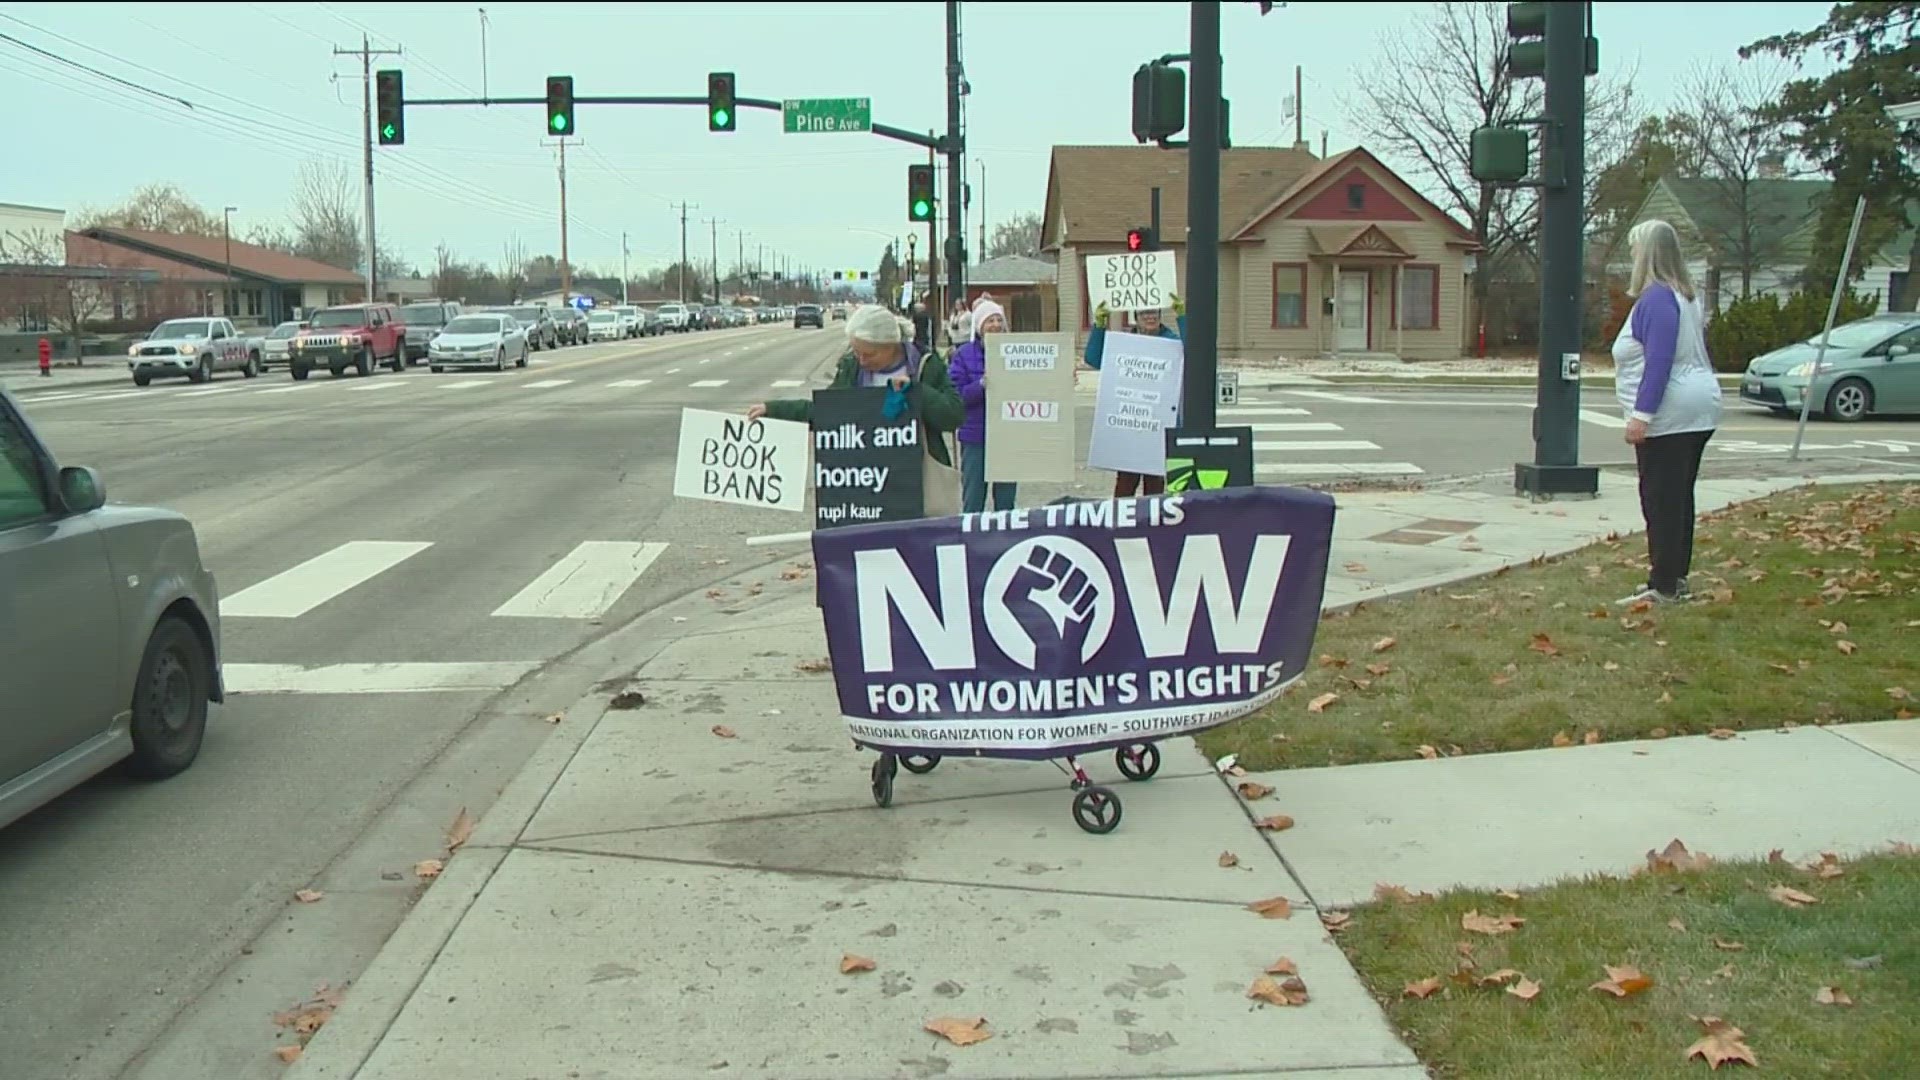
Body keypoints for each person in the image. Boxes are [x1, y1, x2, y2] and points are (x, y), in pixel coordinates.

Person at [748, 304, 965, 509]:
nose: (861, 360)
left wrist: (917, 393)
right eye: (856, 352)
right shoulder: (852, 370)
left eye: (869, 354)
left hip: (917, 483)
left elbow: (953, 415)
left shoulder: (925, 365)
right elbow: (828, 411)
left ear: (891, 345)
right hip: (864, 483)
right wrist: (773, 410)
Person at [1612, 218, 1722, 605]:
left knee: (1660, 498)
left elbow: (1658, 361)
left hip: (1671, 413)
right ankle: (1673, 578)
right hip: (1697, 406)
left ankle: (1664, 585)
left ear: (1647, 253)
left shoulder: (1657, 298)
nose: (1631, 256)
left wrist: (1642, 414)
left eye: (1633, 249)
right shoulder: (1685, 297)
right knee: (1678, 497)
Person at [1083, 294, 1187, 498]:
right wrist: (1099, 326)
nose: (1150, 317)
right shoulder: (1124, 343)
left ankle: (1152, 525)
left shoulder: (1172, 342)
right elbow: (1094, 359)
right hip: (1131, 421)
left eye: (1155, 312)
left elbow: (1194, 351)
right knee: (1126, 482)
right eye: (1145, 313)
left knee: (1155, 482)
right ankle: (1122, 524)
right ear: (1136, 317)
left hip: (1159, 420)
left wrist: (1182, 318)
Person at [947, 299, 1018, 513]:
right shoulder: (964, 355)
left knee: (1006, 501)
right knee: (974, 498)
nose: (995, 325)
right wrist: (980, 386)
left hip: (1008, 435)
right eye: (990, 321)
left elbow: (1036, 386)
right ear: (979, 326)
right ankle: (971, 541)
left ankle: (1004, 539)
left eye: (999, 320)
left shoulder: (1017, 352)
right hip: (976, 436)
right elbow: (955, 395)